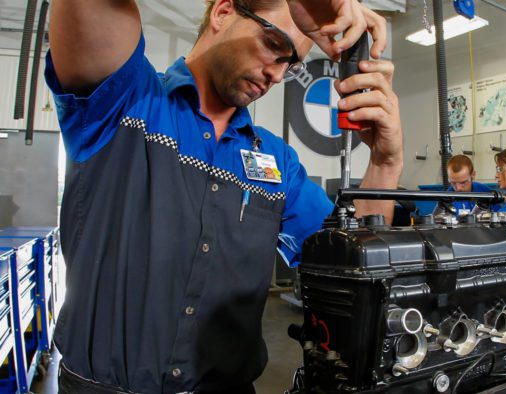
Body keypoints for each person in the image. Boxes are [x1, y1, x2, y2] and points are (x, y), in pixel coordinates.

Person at [46, 0, 403, 392]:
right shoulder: (125, 101)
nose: (276, 74)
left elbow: (353, 264)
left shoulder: (277, 163)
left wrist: (385, 163)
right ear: (222, 12)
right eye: (273, 42)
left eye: (291, 64)